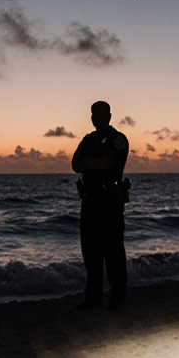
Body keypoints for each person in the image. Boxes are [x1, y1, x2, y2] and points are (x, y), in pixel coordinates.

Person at [70, 101, 130, 310]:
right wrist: (93, 162)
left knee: (113, 251)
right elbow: (75, 164)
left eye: (100, 114)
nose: (96, 118)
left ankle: (118, 298)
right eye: (93, 114)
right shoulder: (88, 139)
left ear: (109, 116)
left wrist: (89, 162)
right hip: (89, 201)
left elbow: (107, 163)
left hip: (109, 201)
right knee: (91, 251)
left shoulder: (118, 139)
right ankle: (93, 297)